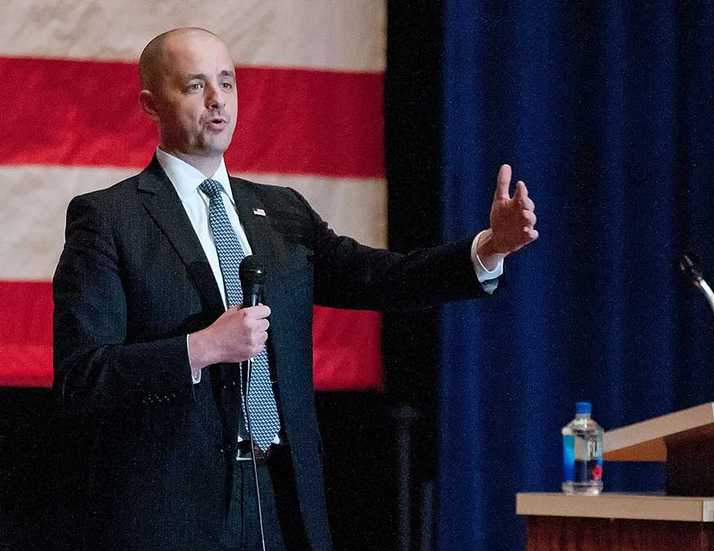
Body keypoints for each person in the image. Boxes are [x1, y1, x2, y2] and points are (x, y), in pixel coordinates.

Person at [52, 27, 537, 551]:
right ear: (151, 104)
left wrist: (489, 248)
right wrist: (200, 348)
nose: (217, 100)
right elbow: (83, 377)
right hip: (172, 510)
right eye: (195, 85)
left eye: (227, 83)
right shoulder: (110, 218)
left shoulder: (281, 211)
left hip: (282, 496)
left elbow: (379, 277)